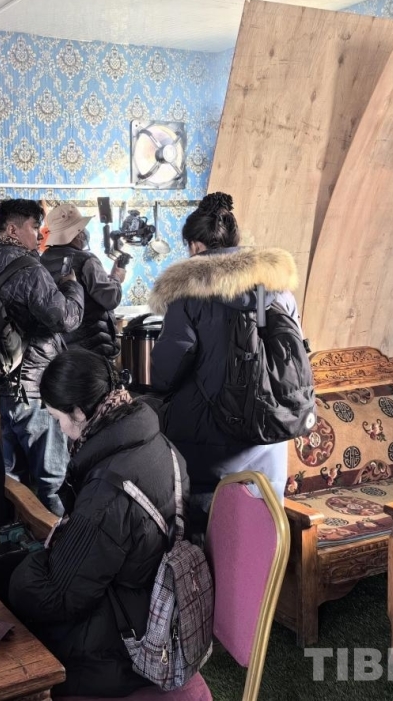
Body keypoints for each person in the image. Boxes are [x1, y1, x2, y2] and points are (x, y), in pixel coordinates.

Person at [5, 349, 189, 697]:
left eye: (57, 418)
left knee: (9, 586)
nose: (60, 430)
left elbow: (56, 598)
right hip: (156, 601)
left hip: (131, 646)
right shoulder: (156, 441)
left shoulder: (109, 490)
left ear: (79, 412)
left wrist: (39, 558)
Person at [148, 191, 300, 535]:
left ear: (195, 247)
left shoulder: (189, 295)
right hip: (269, 437)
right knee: (261, 536)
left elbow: (167, 371)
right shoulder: (278, 289)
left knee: (212, 539)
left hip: (210, 442)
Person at [0, 199, 84, 516]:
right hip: (31, 389)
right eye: (33, 226)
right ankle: (58, 539)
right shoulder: (30, 268)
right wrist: (71, 288)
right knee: (52, 481)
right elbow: (66, 319)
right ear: (13, 230)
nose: (39, 234)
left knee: (7, 481)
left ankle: (13, 537)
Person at [41, 203, 126, 358]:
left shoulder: (43, 260)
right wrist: (116, 278)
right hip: (92, 349)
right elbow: (110, 299)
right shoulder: (87, 260)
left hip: (57, 351)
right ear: (78, 234)